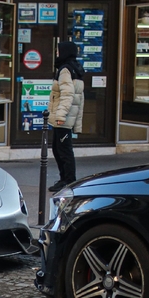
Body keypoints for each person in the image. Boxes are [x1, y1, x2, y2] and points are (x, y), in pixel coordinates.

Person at [48, 41, 84, 193]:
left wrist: (61, 115)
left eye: (58, 51)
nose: (56, 53)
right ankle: (65, 179)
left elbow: (68, 95)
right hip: (66, 116)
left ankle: (68, 180)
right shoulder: (74, 68)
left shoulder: (65, 70)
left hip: (63, 117)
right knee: (59, 149)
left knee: (63, 151)